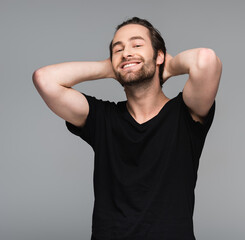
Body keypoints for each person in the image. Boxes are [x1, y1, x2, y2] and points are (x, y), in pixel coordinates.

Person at [33, 17, 222, 240]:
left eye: (137, 45)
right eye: (118, 49)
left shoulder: (185, 114)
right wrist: (111, 67)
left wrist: (167, 66)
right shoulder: (103, 118)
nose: (126, 53)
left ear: (159, 55)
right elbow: (44, 79)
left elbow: (205, 60)